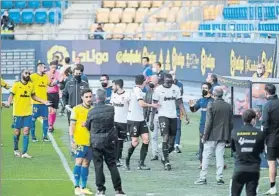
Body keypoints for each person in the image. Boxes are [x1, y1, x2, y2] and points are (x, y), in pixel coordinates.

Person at [86, 89, 126, 196]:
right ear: (105, 98)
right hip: (109, 141)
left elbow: (88, 126)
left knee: (98, 166)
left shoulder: (91, 111)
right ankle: (118, 190)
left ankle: (100, 189)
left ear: (96, 98)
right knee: (112, 164)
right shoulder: (111, 109)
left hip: (96, 142)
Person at [6, 69, 51, 158]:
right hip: (17, 113)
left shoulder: (31, 85)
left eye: (29, 73)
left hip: (28, 113)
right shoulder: (16, 85)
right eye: (26, 73)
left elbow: (33, 96)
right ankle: (15, 149)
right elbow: (11, 95)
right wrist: (8, 103)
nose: (28, 75)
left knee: (26, 131)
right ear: (21, 74)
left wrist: (43, 101)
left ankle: (24, 153)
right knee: (17, 132)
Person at [195, 86, 233, 185]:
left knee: (206, 156)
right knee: (220, 156)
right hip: (223, 135)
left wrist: (204, 136)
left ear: (214, 94)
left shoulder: (211, 105)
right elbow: (231, 123)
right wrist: (228, 137)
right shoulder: (228, 106)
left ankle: (203, 177)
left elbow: (208, 122)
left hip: (211, 135)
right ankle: (219, 178)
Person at [152, 74, 190, 170]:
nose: (169, 83)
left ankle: (164, 155)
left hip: (173, 116)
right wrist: (152, 120)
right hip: (162, 115)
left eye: (170, 82)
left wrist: (185, 115)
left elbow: (180, 102)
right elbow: (154, 105)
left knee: (172, 144)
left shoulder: (176, 88)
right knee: (165, 136)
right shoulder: (158, 90)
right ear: (163, 81)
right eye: (167, 82)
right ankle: (167, 162)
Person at [125, 74, 159, 171]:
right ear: (143, 82)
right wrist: (153, 105)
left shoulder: (139, 90)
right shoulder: (136, 90)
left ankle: (141, 163)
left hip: (140, 119)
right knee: (135, 142)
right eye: (145, 81)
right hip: (133, 120)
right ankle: (127, 159)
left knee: (146, 139)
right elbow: (141, 104)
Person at [230, 109, 264, 196]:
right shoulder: (259, 133)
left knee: (235, 193)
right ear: (253, 120)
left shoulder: (235, 132)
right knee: (251, 193)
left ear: (243, 119)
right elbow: (261, 150)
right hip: (254, 169)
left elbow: (234, 149)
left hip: (239, 168)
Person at [70, 88, 93, 196]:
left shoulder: (93, 110)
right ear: (82, 98)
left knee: (86, 163)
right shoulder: (77, 109)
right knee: (78, 161)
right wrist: (72, 139)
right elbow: (72, 125)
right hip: (79, 140)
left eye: (90, 96)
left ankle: (83, 187)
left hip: (91, 142)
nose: (89, 99)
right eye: (86, 97)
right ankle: (76, 186)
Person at [30, 63, 58, 142]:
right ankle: (33, 136)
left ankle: (45, 136)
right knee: (33, 119)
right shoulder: (33, 76)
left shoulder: (46, 76)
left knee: (45, 119)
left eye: (45, 67)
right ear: (39, 67)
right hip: (35, 102)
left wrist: (54, 82)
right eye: (44, 67)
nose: (45, 68)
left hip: (45, 102)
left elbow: (50, 84)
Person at [189, 82, 214, 168]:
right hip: (203, 125)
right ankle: (202, 161)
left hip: (213, 125)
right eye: (202, 88)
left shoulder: (213, 100)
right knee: (202, 143)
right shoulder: (201, 100)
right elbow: (194, 110)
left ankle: (219, 161)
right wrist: (191, 106)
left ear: (209, 89)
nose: (204, 90)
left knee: (215, 144)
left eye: (205, 88)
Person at [261, 84, 279, 195]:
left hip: (272, 139)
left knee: (272, 163)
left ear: (266, 92)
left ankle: (273, 188)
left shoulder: (267, 106)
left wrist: (262, 139)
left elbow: (265, 125)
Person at [110, 79, 130, 167]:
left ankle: (117, 158)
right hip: (114, 121)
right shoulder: (113, 94)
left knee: (120, 141)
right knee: (114, 140)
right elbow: (111, 107)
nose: (112, 87)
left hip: (123, 122)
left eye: (113, 85)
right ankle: (115, 158)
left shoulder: (127, 95)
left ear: (117, 86)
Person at [144, 75, 160, 161]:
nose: (150, 82)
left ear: (157, 81)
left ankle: (166, 151)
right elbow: (146, 102)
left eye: (152, 81)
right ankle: (155, 154)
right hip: (151, 115)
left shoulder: (161, 90)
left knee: (165, 134)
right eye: (150, 81)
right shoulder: (149, 91)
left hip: (160, 115)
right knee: (153, 136)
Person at [170, 70, 184, 153]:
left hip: (178, 108)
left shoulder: (180, 84)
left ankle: (177, 145)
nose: (173, 75)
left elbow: (179, 96)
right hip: (169, 109)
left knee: (178, 127)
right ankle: (169, 143)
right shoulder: (166, 84)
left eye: (174, 74)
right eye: (171, 74)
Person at [46, 61, 60, 132]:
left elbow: (59, 82)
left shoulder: (58, 74)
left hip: (55, 94)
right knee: (50, 110)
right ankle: (50, 125)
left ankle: (52, 124)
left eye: (55, 67)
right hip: (48, 94)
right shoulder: (47, 74)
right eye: (52, 67)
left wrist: (57, 82)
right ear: (49, 67)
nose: (53, 69)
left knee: (54, 111)